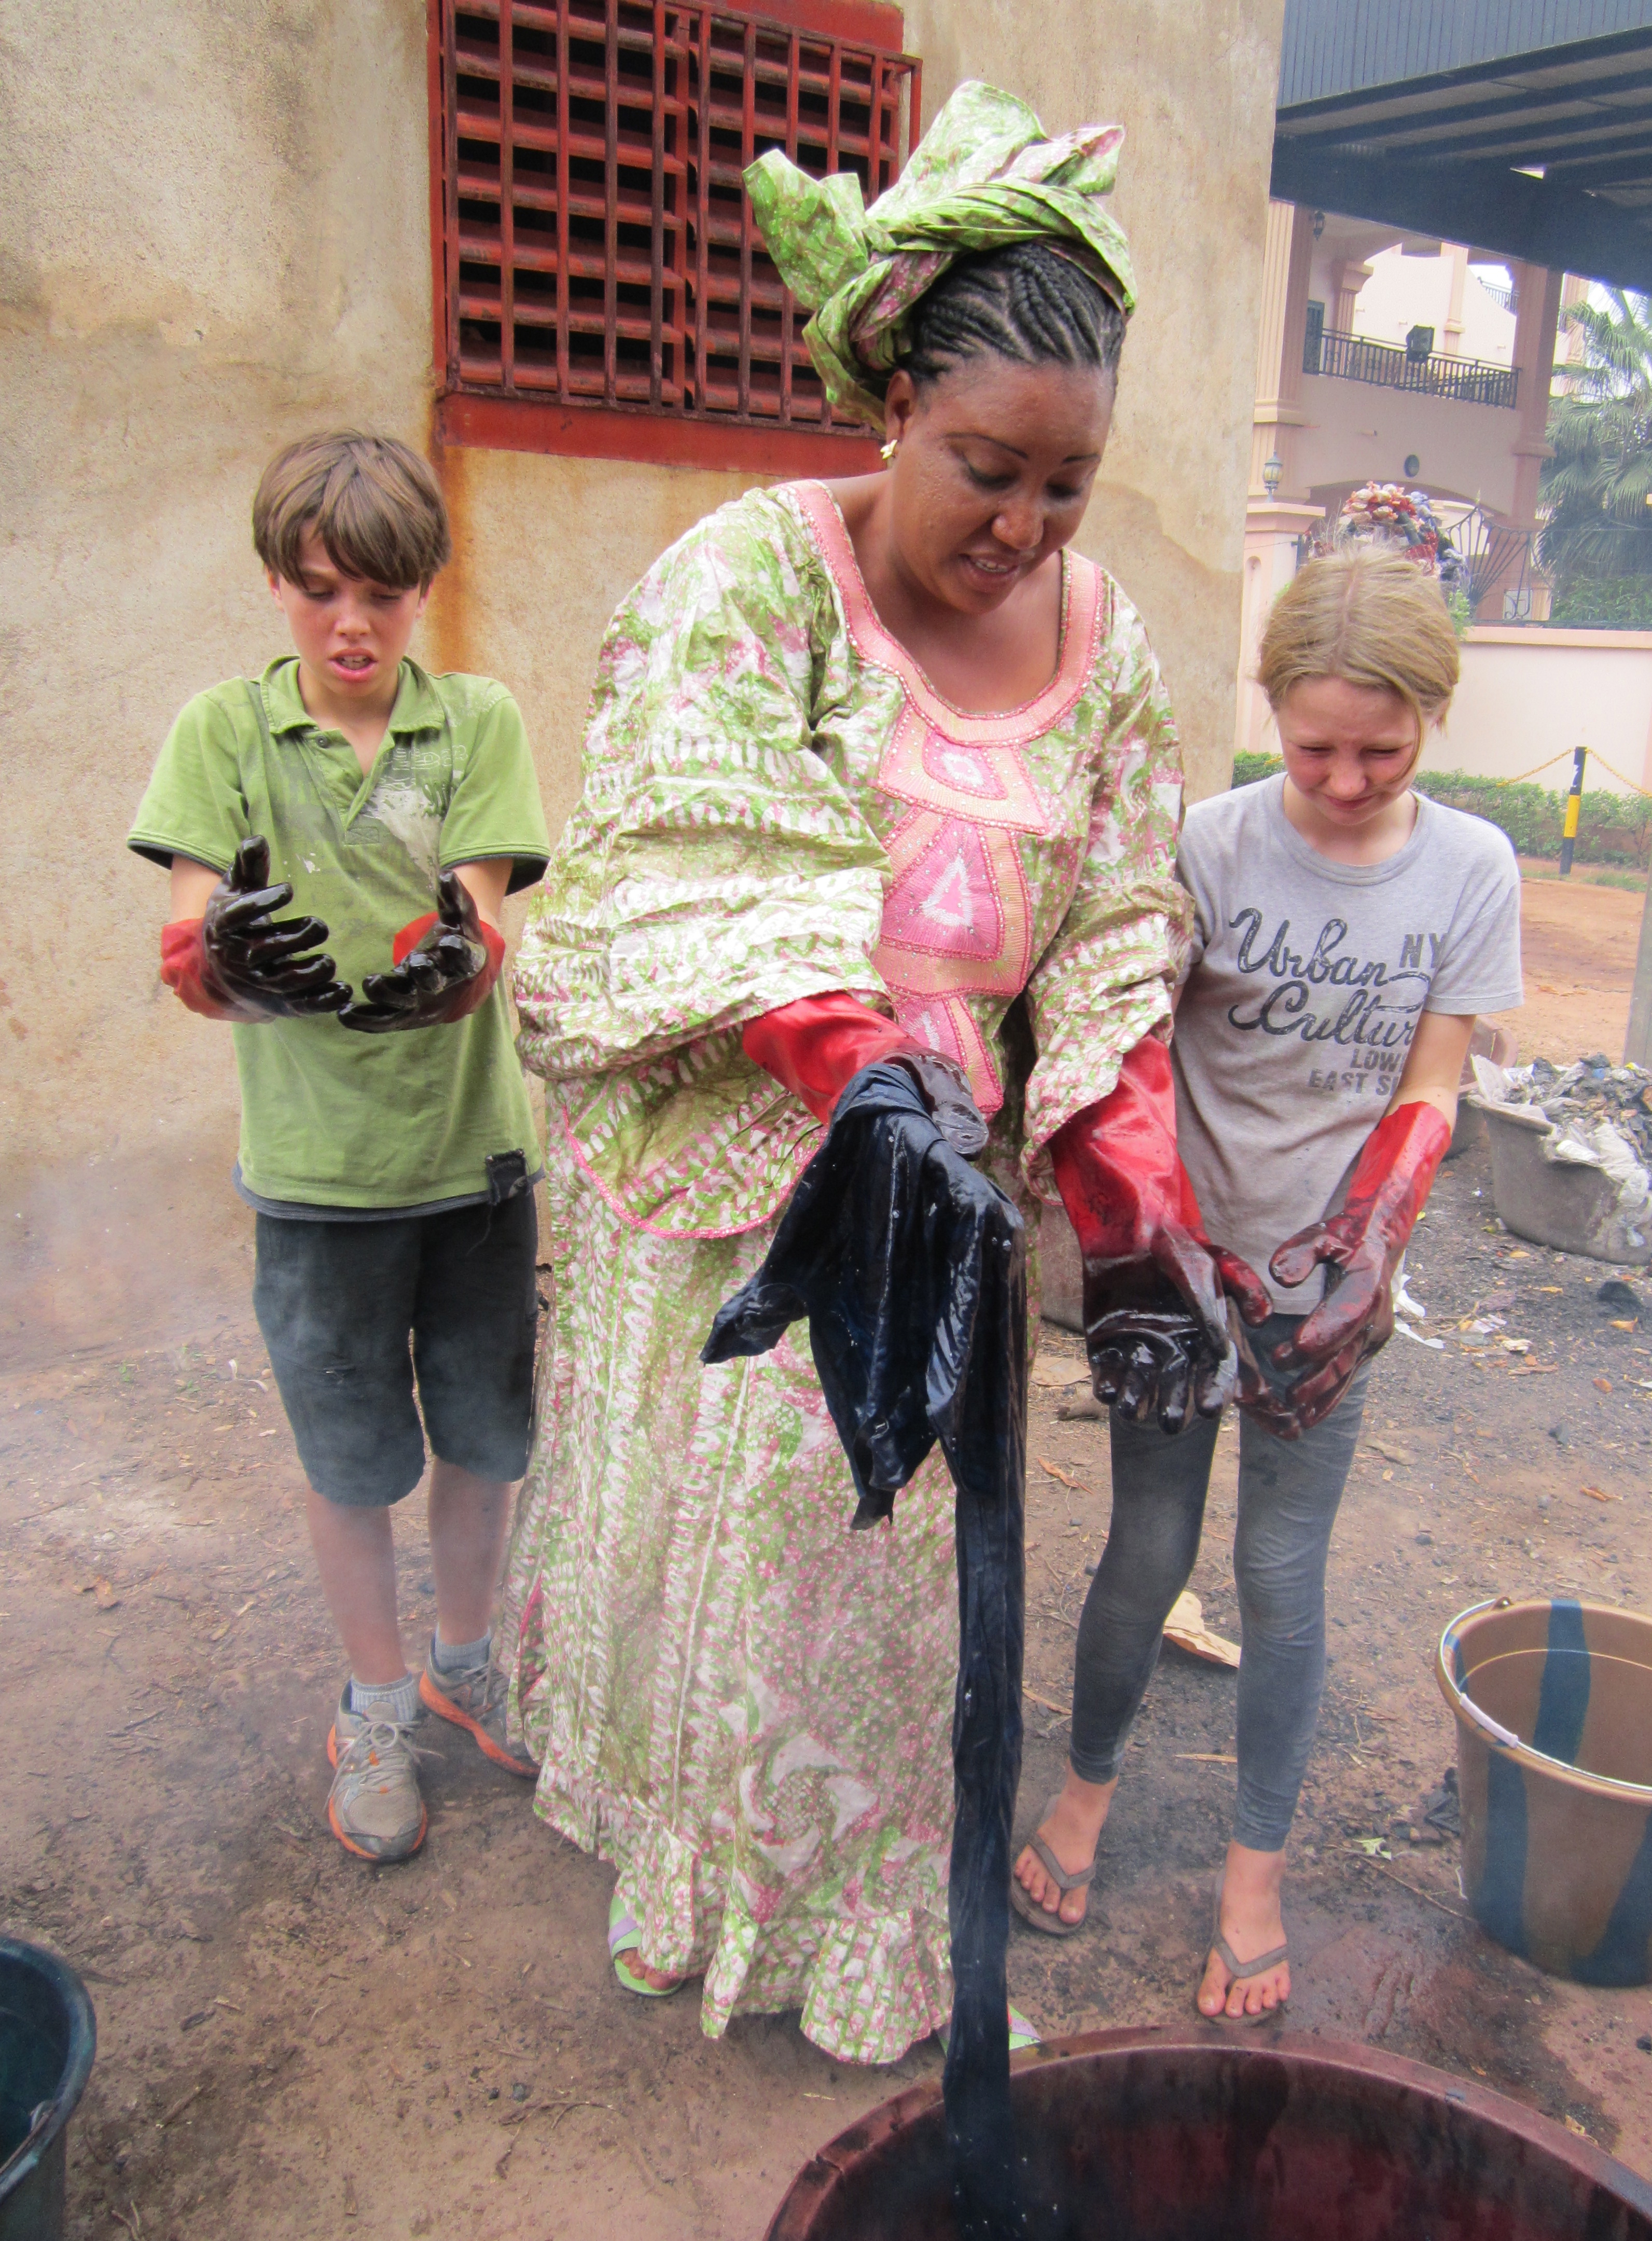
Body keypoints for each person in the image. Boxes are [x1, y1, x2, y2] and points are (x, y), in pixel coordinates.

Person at [499, 81, 1260, 2065]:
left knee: (891, 1587)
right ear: (896, 400)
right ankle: (697, 1891)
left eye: (1069, 486)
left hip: (944, 1205)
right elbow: (688, 874)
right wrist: (864, 1073)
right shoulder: (749, 582)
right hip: (754, 1197)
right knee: (748, 1567)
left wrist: (1131, 1199)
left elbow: (1113, 921)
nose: (1025, 529)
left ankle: (857, 1935)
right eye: (989, 469)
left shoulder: (1108, 645)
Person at [1011, 547, 1523, 2019]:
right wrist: (1151, 1246)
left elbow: (1433, 1078)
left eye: (1383, 753)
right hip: (1181, 1265)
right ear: (1272, 714)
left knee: (1283, 1575)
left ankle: (1255, 1873)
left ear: (1432, 720)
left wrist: (1372, 1249)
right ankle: (1087, 1793)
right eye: (1315, 750)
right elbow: (1133, 1055)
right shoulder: (1208, 846)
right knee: (1147, 1546)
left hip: (1328, 1287)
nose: (1346, 781)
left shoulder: (1472, 870)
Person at [127, 431, 552, 1863]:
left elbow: (477, 913)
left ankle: (464, 1662)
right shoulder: (225, 735)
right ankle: (373, 1703)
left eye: (382, 593)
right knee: (353, 1460)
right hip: (318, 1180)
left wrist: (458, 961)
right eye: (320, 592)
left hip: (475, 1165)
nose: (351, 625)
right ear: (276, 584)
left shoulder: (476, 722)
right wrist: (221, 962)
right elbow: (190, 938)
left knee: (485, 1442)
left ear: (426, 586)